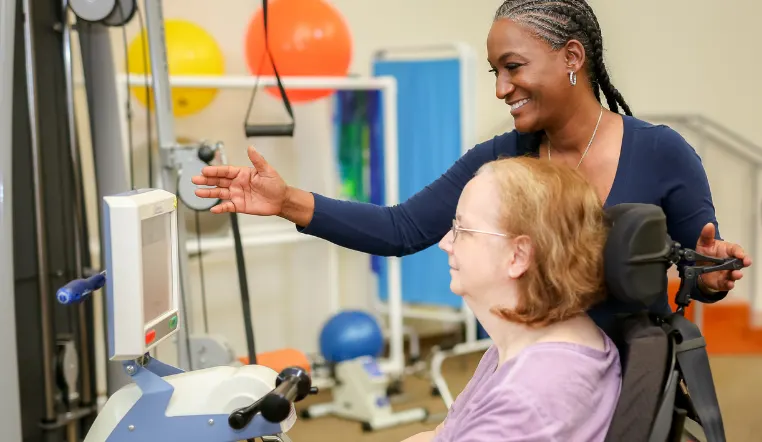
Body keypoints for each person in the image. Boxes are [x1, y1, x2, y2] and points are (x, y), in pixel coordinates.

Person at [192, 0, 751, 333]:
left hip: (630, 388)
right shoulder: (501, 157)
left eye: (513, 67)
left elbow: (698, 270)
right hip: (531, 378)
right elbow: (402, 229)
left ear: (573, 58)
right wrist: (285, 200)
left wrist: (711, 276)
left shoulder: (662, 151)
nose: (503, 88)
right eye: (495, 72)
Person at [403, 156, 621, 442]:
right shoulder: (518, 343)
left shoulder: (529, 394)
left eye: (462, 230)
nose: (445, 243)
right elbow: (440, 436)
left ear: (517, 256)